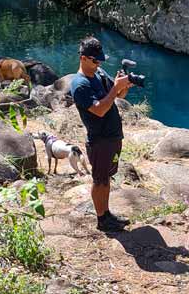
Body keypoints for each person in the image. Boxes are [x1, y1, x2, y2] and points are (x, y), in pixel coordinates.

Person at [69, 36, 133, 232]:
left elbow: (117, 96)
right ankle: (101, 220)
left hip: (112, 137)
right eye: (95, 61)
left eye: (100, 60)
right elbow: (99, 110)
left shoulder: (99, 73)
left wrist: (124, 86)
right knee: (100, 180)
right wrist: (115, 88)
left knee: (106, 178)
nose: (99, 64)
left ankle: (106, 214)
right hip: (99, 140)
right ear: (83, 58)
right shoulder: (80, 85)